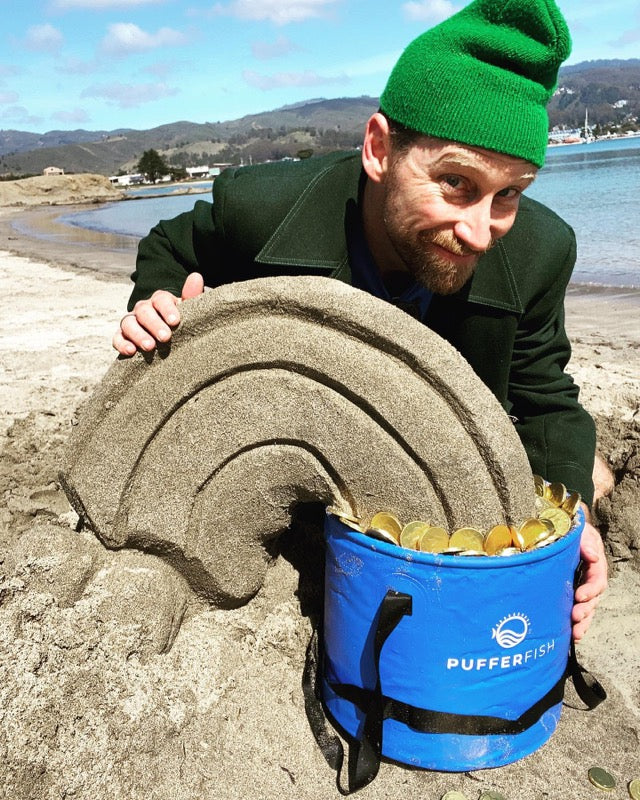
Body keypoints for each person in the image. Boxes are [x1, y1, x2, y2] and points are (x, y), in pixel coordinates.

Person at [113, 0, 608, 640]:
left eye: (509, 192)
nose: (482, 231)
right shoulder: (262, 207)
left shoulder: (542, 250)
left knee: (589, 471)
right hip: (287, 455)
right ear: (378, 149)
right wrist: (154, 304)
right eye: (455, 183)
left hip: (425, 483)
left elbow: (545, 399)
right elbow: (170, 247)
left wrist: (577, 521)